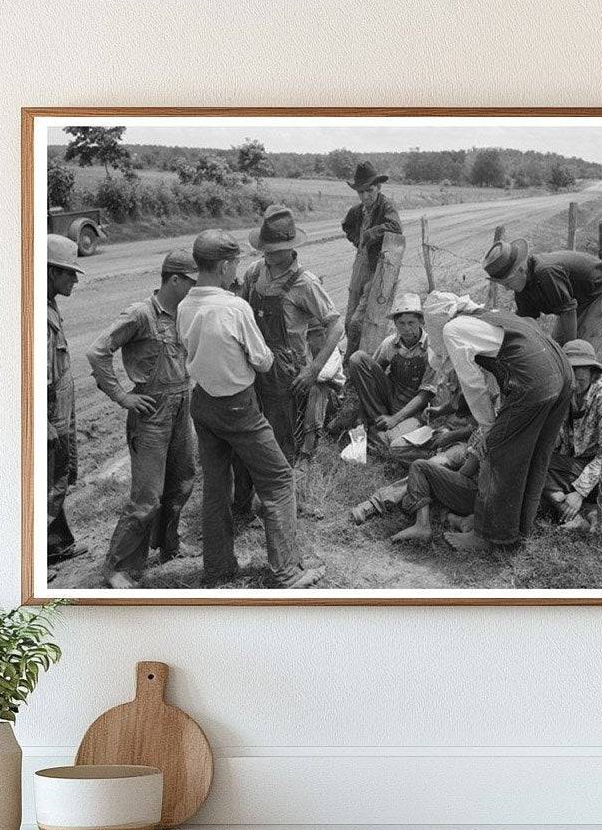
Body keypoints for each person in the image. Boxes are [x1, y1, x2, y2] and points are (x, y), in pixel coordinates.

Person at [177, 229, 323, 590]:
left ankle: (218, 569)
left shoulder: (184, 305)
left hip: (203, 404)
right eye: (234, 265)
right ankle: (287, 571)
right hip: (238, 406)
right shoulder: (234, 307)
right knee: (278, 479)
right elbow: (261, 359)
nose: (236, 272)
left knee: (215, 488)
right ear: (225, 265)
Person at [86, 249, 198, 588]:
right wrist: (121, 395)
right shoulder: (140, 314)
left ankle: (168, 546)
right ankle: (116, 567)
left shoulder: (184, 314)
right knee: (146, 497)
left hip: (182, 406)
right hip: (151, 414)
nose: (195, 288)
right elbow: (97, 351)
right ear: (174, 280)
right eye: (191, 282)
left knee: (182, 481)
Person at [235, 205, 343, 515]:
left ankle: (280, 507)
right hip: (253, 368)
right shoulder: (254, 273)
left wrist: (314, 368)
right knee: (253, 435)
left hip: (287, 374)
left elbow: (337, 325)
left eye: (276, 249)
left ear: (291, 248)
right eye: (265, 248)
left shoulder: (304, 283)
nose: (269, 254)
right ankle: (250, 498)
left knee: (283, 441)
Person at [440, 304, 574, 552]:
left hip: (534, 381)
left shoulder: (453, 329)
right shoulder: (492, 316)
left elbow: (472, 383)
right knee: (535, 455)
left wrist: (488, 424)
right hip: (562, 372)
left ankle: (487, 536)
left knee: (499, 451)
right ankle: (520, 530)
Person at [544, 339, 602, 532]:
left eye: (579, 369)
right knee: (534, 460)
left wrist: (579, 493)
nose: (574, 376)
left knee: (538, 468)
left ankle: (574, 505)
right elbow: (560, 437)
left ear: (592, 372)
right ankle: (576, 510)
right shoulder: (568, 392)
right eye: (569, 369)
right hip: (574, 464)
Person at [482, 239, 602, 347]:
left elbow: (568, 312)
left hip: (600, 292)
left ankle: (589, 381)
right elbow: (526, 321)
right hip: (575, 301)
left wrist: (570, 353)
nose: (507, 289)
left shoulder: (546, 273)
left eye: (508, 284)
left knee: (581, 354)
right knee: (557, 348)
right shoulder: (522, 287)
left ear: (521, 270)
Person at [45, 234, 87, 578]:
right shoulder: (41, 318)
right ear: (49, 272)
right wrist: (44, 422)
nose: (73, 279)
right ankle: (32, 564)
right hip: (49, 415)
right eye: (68, 273)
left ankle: (57, 544)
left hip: (59, 410)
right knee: (48, 483)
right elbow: (39, 377)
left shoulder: (49, 308)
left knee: (58, 476)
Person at [347, 292, 437, 440]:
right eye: (401, 323)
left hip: (414, 407)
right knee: (357, 359)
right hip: (390, 397)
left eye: (411, 323)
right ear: (395, 323)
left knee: (391, 439)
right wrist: (361, 414)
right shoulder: (390, 344)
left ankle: (379, 428)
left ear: (421, 321)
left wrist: (395, 419)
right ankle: (375, 418)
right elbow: (370, 378)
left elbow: (426, 393)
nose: (406, 328)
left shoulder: (430, 348)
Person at [341, 161, 403, 356]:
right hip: (359, 264)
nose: (365, 196)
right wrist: (357, 239)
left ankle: (354, 362)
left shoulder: (386, 206)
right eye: (361, 192)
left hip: (378, 266)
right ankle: (353, 359)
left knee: (358, 322)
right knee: (348, 318)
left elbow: (396, 227)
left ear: (378, 188)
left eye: (370, 191)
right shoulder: (357, 210)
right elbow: (347, 226)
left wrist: (371, 234)